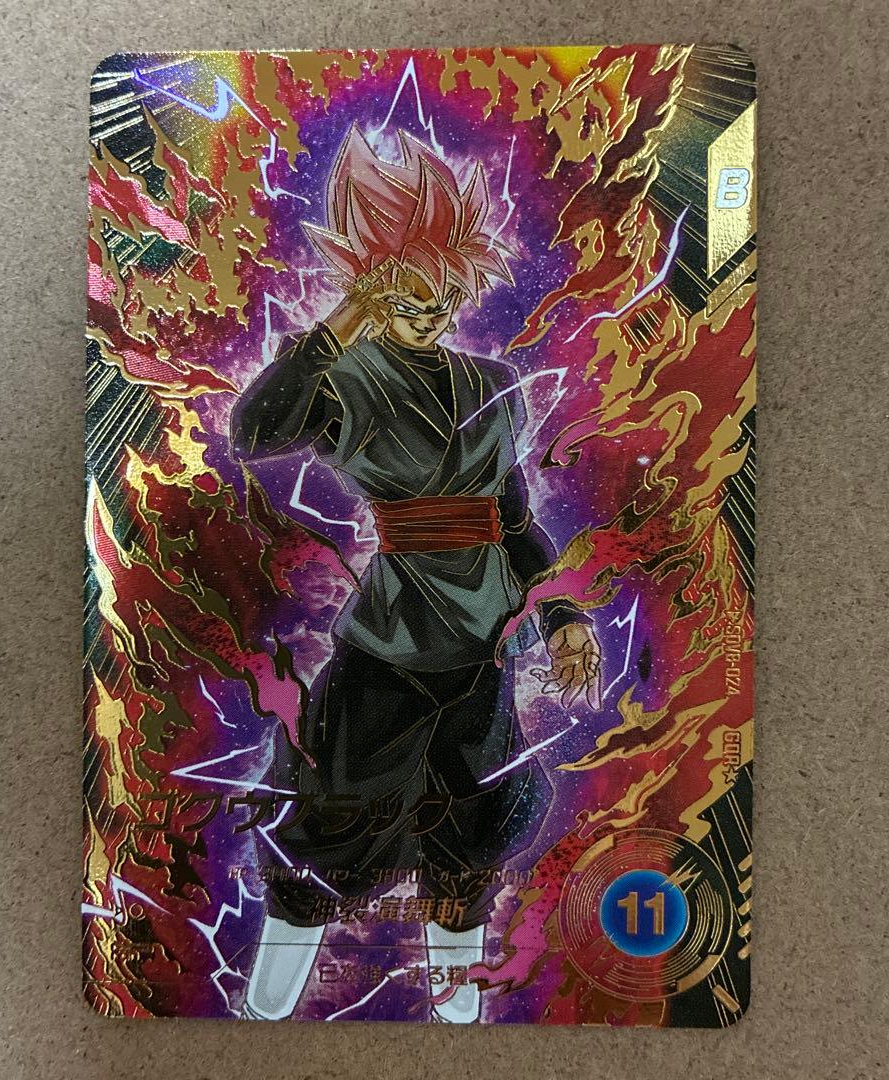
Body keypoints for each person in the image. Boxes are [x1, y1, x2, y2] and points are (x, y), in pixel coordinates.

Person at [231, 126, 603, 1022]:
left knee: (471, 829)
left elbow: (515, 523)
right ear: (370, 280)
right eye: (405, 292)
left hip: (483, 644)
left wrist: (562, 616)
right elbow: (256, 430)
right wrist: (344, 321)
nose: (429, 309)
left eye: (443, 290)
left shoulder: (489, 384)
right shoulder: (347, 376)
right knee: (332, 821)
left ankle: (459, 1007)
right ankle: (268, 1005)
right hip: (389, 643)